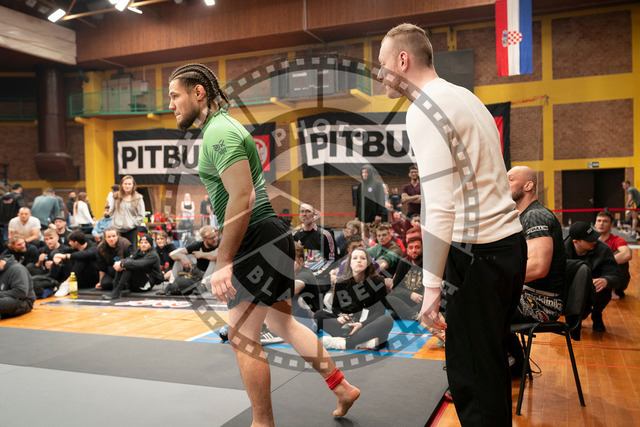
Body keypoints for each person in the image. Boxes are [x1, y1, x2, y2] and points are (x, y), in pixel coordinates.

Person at [169, 63, 359, 425]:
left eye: (175, 95)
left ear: (198, 93)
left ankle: (262, 422)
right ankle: (342, 387)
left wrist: (224, 260)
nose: (171, 104)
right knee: (283, 324)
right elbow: (247, 195)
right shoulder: (222, 128)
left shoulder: (219, 131)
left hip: (256, 237)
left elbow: (243, 198)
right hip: (269, 234)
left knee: (242, 337)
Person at [377, 23, 526, 425]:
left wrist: (430, 289)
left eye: (382, 64)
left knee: (471, 376)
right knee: (489, 364)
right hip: (509, 246)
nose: (380, 74)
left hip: (478, 253)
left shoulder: (423, 108)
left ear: (403, 60)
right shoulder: (466, 97)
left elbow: (439, 205)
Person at [315, 247, 394, 350]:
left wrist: (361, 324)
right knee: (319, 314)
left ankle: (345, 343)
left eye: (362, 258)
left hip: (367, 324)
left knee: (387, 320)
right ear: (350, 263)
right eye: (355, 258)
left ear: (367, 263)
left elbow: (380, 312)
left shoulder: (377, 282)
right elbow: (335, 308)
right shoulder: (341, 282)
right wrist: (340, 316)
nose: (359, 260)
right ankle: (364, 342)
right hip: (346, 324)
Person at [564, 222, 621, 332]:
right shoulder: (562, 251)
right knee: (572, 329)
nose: (595, 241)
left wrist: (606, 280)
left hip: (594, 289)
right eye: (589, 239)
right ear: (576, 242)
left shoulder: (603, 249)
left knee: (604, 289)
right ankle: (575, 317)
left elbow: (616, 276)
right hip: (571, 290)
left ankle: (597, 314)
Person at [102, 233, 163, 300]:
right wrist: (120, 263)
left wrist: (122, 264)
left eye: (146, 243)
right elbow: (129, 258)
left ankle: (117, 292)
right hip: (134, 285)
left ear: (151, 244)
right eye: (141, 243)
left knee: (130, 266)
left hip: (146, 285)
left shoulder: (153, 255)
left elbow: (140, 264)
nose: (143, 245)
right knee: (125, 264)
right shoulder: (140, 251)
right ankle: (115, 290)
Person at [385, 234, 424, 320]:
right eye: (411, 248)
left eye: (417, 247)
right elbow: (395, 288)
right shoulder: (403, 263)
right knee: (389, 298)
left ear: (422, 248)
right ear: (407, 250)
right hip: (406, 300)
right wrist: (410, 294)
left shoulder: (427, 265)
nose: (414, 250)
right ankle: (413, 315)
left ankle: (403, 313)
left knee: (432, 299)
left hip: (421, 301)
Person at [293, 203, 336, 280]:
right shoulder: (294, 235)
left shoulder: (325, 234)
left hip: (321, 277)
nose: (304, 214)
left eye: (308, 211)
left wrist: (318, 274)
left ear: (314, 215)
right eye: (302, 211)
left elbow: (332, 259)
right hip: (302, 277)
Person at [595, 211, 632, 299]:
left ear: (611, 225)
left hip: (617, 282)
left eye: (605, 221)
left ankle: (612, 290)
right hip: (597, 278)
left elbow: (627, 254)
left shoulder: (617, 240)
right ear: (595, 224)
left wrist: (604, 262)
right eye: (599, 221)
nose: (601, 224)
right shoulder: (590, 240)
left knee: (620, 255)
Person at [52, 230, 99, 296]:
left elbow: (86, 254)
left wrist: (66, 256)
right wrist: (56, 256)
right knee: (63, 258)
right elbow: (60, 250)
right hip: (79, 277)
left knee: (81, 258)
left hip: (91, 278)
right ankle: (54, 282)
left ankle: (67, 283)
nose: (69, 243)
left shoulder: (93, 247)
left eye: (70, 241)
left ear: (76, 242)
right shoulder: (75, 248)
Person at [109, 175, 145, 245]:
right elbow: (111, 212)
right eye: (125, 184)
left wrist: (132, 224)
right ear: (122, 185)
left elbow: (141, 215)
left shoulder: (138, 198)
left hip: (131, 230)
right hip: (117, 230)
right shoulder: (116, 196)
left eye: (129, 184)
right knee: (118, 249)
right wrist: (116, 221)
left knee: (131, 250)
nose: (127, 186)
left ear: (133, 185)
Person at [95, 227, 132, 292]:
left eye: (113, 236)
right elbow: (101, 267)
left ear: (117, 236)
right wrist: (100, 282)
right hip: (111, 270)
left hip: (123, 270)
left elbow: (130, 260)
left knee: (120, 283)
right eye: (109, 237)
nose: (111, 239)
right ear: (105, 238)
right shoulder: (101, 248)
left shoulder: (125, 243)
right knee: (104, 284)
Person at [0, 254, 35, 319]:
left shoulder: (17, 269)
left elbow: (21, 292)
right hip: (5, 297)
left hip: (23, 301)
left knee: (3, 302)